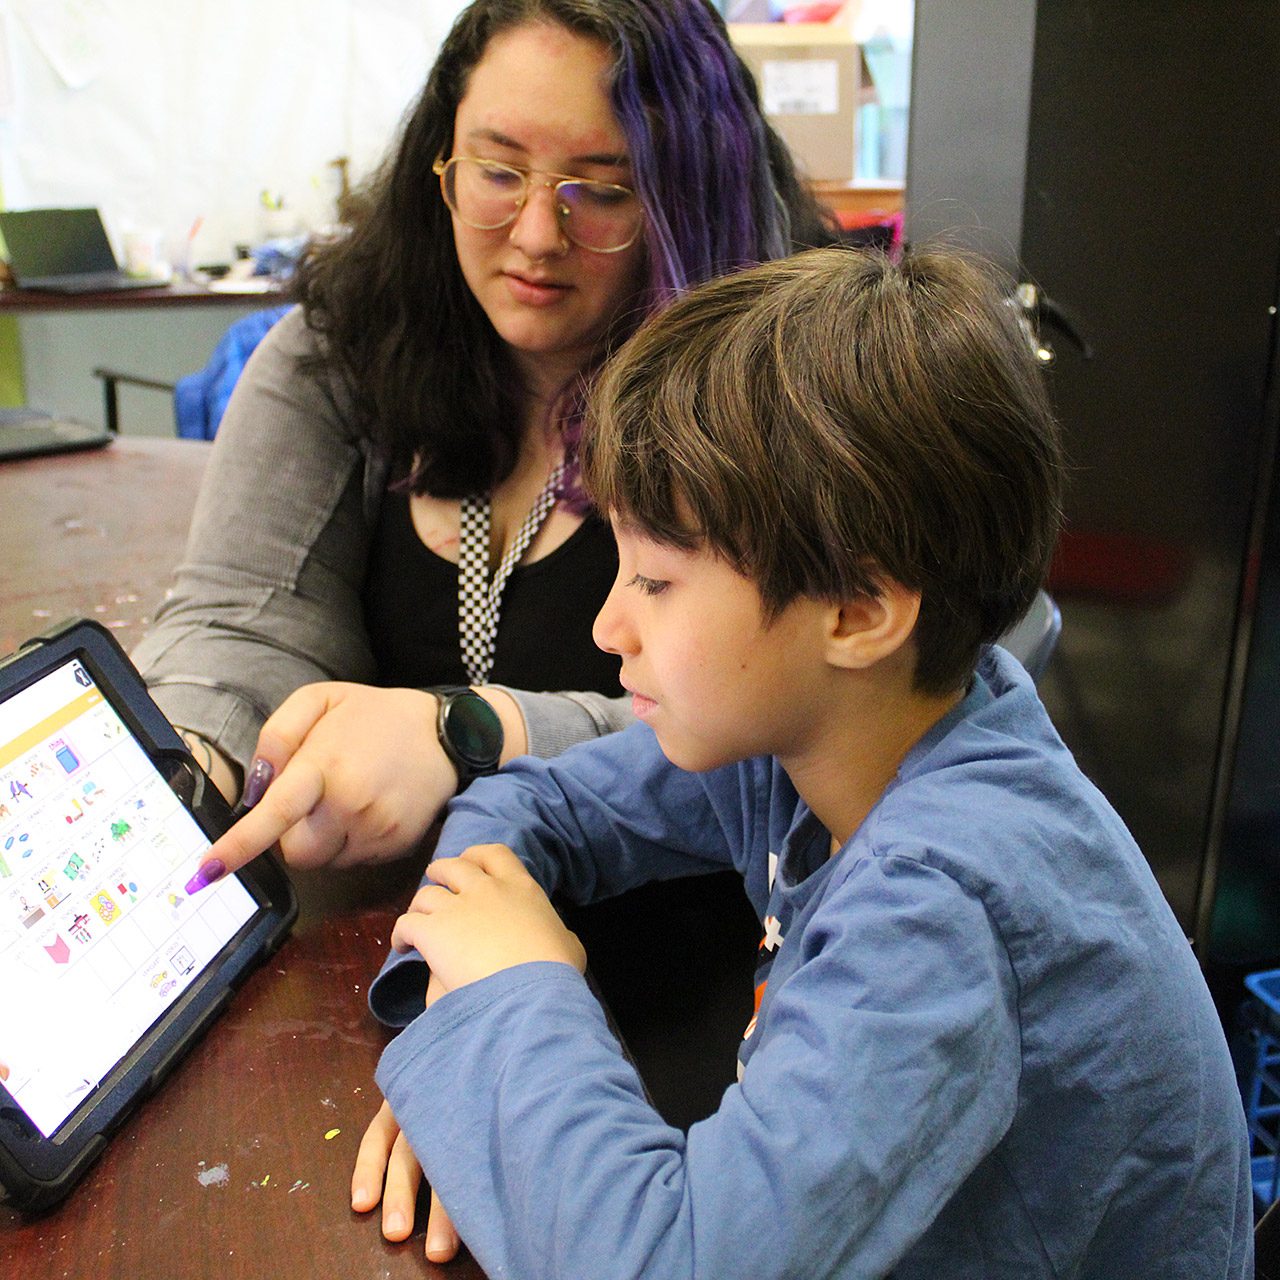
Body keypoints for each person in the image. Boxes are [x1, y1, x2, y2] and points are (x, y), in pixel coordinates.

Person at [202, 245, 1253, 1277]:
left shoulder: (942, 906)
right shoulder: (834, 724)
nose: (608, 626)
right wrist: (476, 1049)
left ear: (858, 611)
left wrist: (512, 999)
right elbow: (534, 802)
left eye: (656, 582)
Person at [140, 0, 833, 1134]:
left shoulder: (777, 389)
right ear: (441, 161)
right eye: (498, 172)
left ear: (689, 191)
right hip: (392, 968)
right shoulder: (341, 351)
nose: (536, 235)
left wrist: (470, 731)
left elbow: (790, 738)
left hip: (676, 993)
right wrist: (197, 763)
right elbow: (244, 617)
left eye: (601, 189)